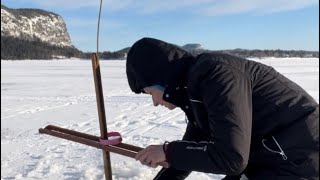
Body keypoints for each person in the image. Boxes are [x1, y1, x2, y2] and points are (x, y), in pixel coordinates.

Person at [126, 37, 319, 180]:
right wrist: (170, 157)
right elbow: (196, 140)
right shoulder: (193, 90)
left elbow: (232, 158)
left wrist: (168, 152)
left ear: (162, 81)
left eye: (150, 93)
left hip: (302, 156)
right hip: (271, 155)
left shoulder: (216, 74)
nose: (155, 102)